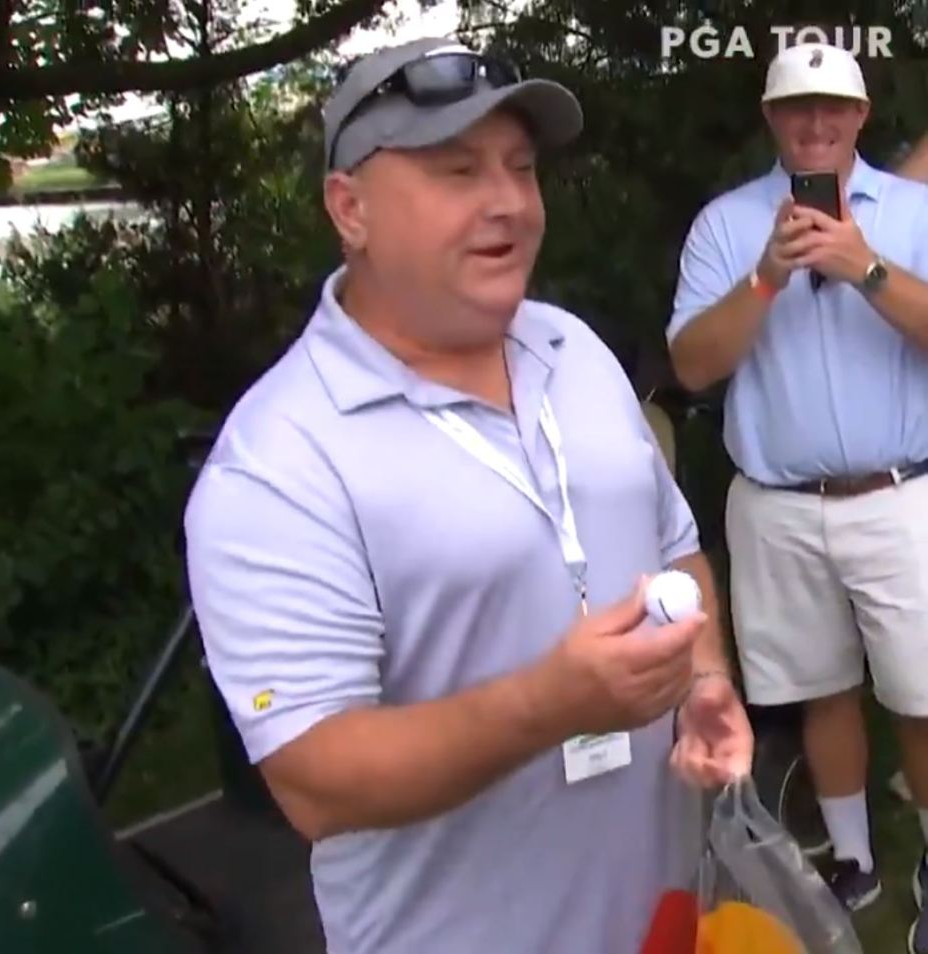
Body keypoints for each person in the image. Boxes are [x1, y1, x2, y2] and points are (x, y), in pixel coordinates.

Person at [185, 36, 753, 954]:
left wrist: (706, 677)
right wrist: (552, 703)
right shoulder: (280, 461)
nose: (507, 204)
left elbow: (672, 542)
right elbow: (315, 780)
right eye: (456, 171)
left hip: (661, 920)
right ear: (350, 207)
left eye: (520, 169)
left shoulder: (574, 349)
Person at [667, 40, 928, 954]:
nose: (814, 125)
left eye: (832, 109)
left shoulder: (912, 212)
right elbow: (692, 364)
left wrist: (863, 265)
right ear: (771, 119)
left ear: (859, 117)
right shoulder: (727, 224)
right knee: (818, 690)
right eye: (795, 109)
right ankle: (852, 860)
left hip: (899, 496)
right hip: (776, 502)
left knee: (923, 697)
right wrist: (768, 277)